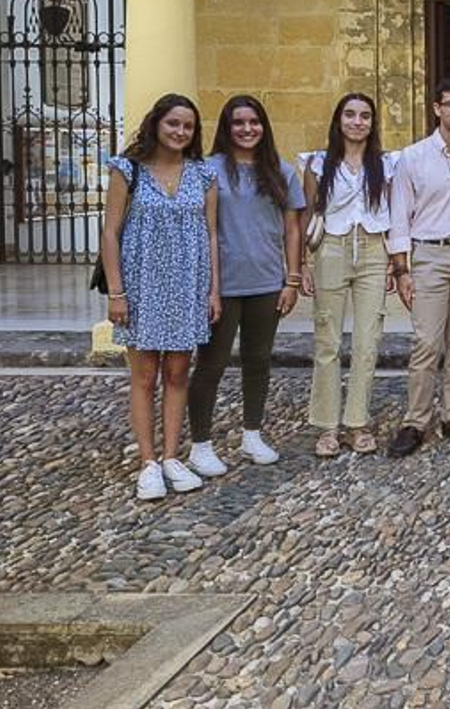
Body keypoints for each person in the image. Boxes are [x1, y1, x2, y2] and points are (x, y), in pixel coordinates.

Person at [101, 94, 220, 500]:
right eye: (173, 123)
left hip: (187, 286)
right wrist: (117, 293)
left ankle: (172, 456)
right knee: (145, 375)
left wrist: (213, 290)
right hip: (142, 286)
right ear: (156, 124)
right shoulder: (127, 170)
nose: (180, 132)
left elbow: (212, 234)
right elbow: (110, 233)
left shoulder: (203, 175)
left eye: (187, 126)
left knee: (177, 374)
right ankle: (148, 462)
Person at [187, 95, 305, 476]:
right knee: (212, 364)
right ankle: (200, 444)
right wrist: (208, 287)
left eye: (253, 122)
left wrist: (292, 278)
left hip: (267, 281)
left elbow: (292, 228)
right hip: (222, 284)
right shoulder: (209, 169)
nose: (247, 129)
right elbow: (201, 227)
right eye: (238, 122)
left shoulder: (281, 171)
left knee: (259, 360)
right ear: (227, 126)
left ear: (263, 126)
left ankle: (252, 433)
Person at [387, 78, 450, 458]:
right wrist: (401, 269)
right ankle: (415, 420)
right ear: (437, 108)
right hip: (429, 254)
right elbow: (399, 215)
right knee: (426, 342)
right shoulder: (412, 157)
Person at [301, 92, 396, 458]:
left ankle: (357, 420)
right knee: (327, 340)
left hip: (372, 249)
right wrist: (300, 267)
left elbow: (390, 210)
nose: (358, 122)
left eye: (365, 116)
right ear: (339, 120)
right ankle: (327, 424)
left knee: (368, 339)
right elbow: (306, 214)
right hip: (332, 248)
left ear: (372, 124)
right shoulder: (318, 163)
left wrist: (394, 263)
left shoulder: (384, 165)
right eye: (351, 115)